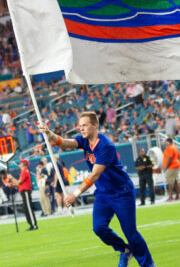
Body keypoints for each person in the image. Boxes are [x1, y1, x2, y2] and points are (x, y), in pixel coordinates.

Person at [39, 112, 154, 267]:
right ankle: (125, 250)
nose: (81, 128)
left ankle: (148, 265)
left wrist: (75, 194)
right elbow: (63, 142)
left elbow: (94, 175)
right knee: (99, 228)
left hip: (121, 192)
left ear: (95, 125)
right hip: (103, 193)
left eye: (84, 125)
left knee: (131, 233)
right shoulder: (84, 140)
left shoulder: (105, 145)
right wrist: (48, 132)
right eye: (80, 126)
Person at [17, 159, 38, 231]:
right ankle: (31, 224)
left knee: (28, 208)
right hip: (23, 191)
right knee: (26, 209)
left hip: (25, 191)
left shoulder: (25, 171)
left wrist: (12, 179)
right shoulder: (23, 171)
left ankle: (33, 224)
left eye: (21, 162)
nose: (19, 163)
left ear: (24, 164)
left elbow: (19, 182)